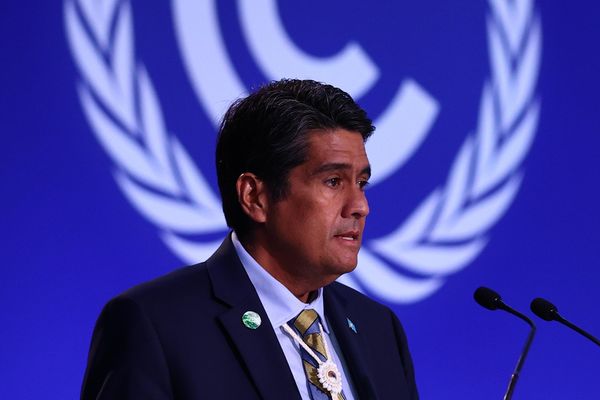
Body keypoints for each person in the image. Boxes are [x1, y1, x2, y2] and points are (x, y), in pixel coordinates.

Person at [81, 79, 418, 400]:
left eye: (361, 183)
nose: (360, 206)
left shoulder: (379, 329)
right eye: (333, 181)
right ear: (255, 196)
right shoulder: (155, 327)